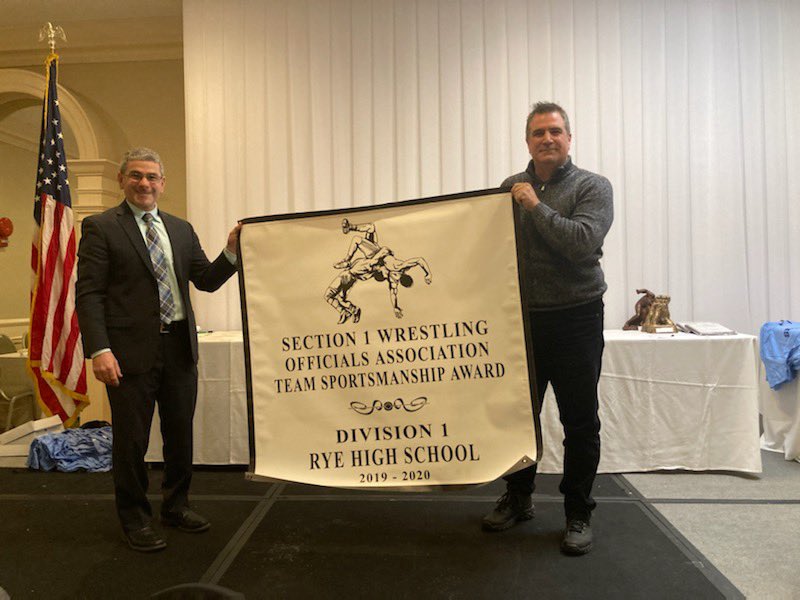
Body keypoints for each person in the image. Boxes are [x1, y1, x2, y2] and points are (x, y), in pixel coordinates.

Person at [76, 147, 241, 552]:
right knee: (131, 441)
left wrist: (232, 250)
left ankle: (176, 506)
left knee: (180, 435)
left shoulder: (181, 229)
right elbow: (89, 294)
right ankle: (134, 519)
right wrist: (100, 349)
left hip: (180, 350)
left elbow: (206, 279)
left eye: (152, 176)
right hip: (127, 354)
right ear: (122, 180)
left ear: (163, 184)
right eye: (136, 175)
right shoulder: (100, 227)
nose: (144, 183)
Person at [482, 102, 613, 555]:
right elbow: (476, 242)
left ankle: (578, 512)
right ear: (528, 142)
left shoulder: (593, 186)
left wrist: (535, 206)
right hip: (520, 321)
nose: (547, 139)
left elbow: (580, 244)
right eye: (538, 133)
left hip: (577, 317)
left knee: (579, 422)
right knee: (519, 419)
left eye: (555, 131)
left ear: (569, 138)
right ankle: (518, 498)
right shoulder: (506, 189)